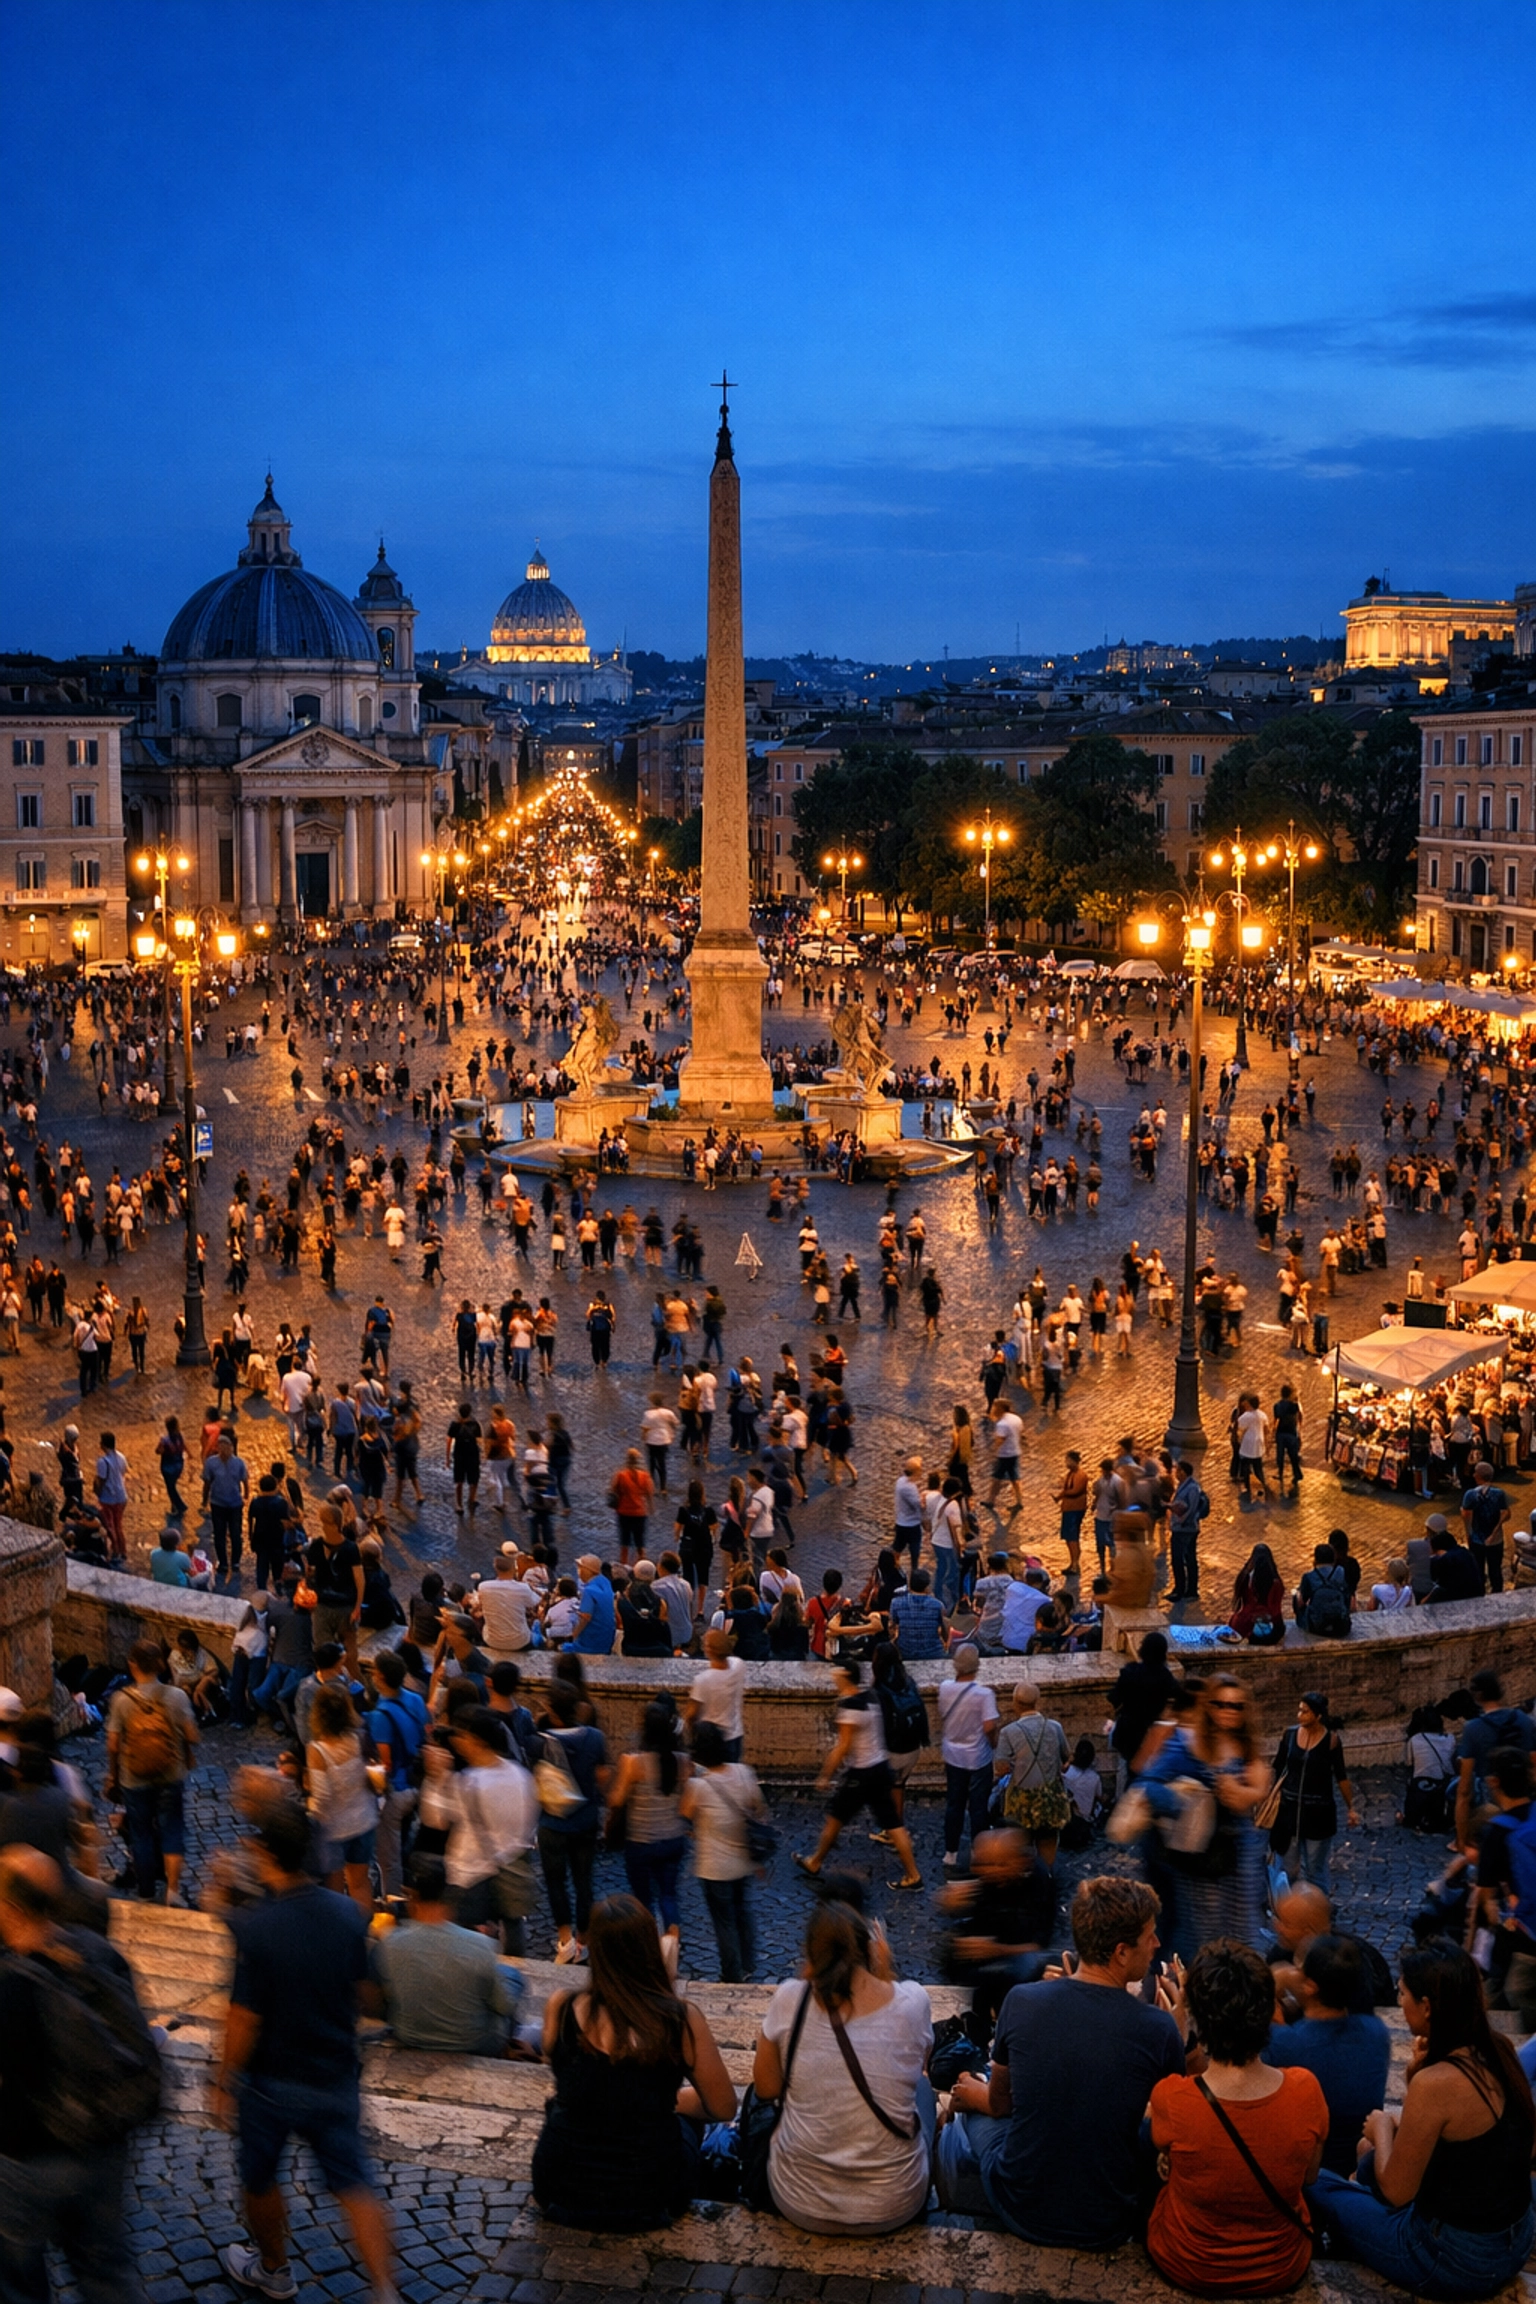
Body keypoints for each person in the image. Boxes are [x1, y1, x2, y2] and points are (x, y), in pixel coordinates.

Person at [938, 1875, 1185, 2248]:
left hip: (1020, 2207)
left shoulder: (1022, 2000)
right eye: (1149, 1935)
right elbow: (1169, 2122)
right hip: (1108, 2220)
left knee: (974, 2099)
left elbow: (1000, 2103)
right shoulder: (1158, 2028)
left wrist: (972, 2095)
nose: (1157, 1943)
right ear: (1120, 1951)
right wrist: (1181, 2035)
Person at [214, 1798, 395, 2302]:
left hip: (271, 2081)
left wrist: (225, 2080)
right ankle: (384, 2290)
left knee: (260, 2176)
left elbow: (243, 2017)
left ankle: (273, 2269)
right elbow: (371, 1994)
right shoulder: (347, 1914)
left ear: (262, 1852)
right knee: (354, 2183)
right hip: (335, 2071)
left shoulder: (257, 1926)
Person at [1310, 1944, 1536, 2300]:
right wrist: (1416, 2075)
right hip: (1516, 2240)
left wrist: (1382, 2127)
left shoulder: (1438, 2083)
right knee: (1367, 2163)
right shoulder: (1500, 2049)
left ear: (1427, 2006)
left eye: (1402, 1993)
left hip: (1455, 2260)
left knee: (1319, 2181)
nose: (1399, 2001)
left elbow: (1398, 2191)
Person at [0, 1846, 158, 2304]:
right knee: (108, 2273)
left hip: (27, 2164)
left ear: (11, 1907)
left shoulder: (9, 1984)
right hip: (104, 2150)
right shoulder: (97, 1951)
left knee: (18, 2284)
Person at [530, 1892, 737, 2229]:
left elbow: (576, 2078)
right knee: (689, 2118)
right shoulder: (681, 2020)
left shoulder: (560, 2006)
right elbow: (724, 2107)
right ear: (650, 1948)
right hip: (651, 2194)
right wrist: (671, 2101)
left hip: (560, 2186)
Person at [1146, 1938, 1328, 2296]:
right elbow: (1309, 2176)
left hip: (1187, 2262)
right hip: (1281, 2265)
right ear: (1267, 2012)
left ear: (1199, 2020)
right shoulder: (1305, 2090)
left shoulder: (1172, 2096)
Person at [752, 1897, 934, 2235]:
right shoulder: (913, 2002)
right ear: (871, 1948)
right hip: (895, 2205)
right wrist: (885, 1973)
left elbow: (765, 2089)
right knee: (923, 2086)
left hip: (798, 2200)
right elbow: (916, 2067)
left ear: (810, 1954)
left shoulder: (789, 1998)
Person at [1140, 1674, 1270, 1958]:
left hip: (1240, 1855)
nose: (1228, 1712)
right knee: (1200, 1934)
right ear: (1208, 1706)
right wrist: (1182, 1800)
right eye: (1221, 1704)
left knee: (1243, 1932)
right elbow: (1147, 1782)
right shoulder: (1187, 1746)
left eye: (1236, 1706)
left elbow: (1256, 1790)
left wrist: (1245, 1793)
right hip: (1199, 1854)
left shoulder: (1247, 1750)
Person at [370, 1852, 522, 2056]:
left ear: (412, 1896)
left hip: (409, 2035)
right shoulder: (482, 1945)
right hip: (473, 2041)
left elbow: (378, 2001)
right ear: (449, 1896)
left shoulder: (390, 1943)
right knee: (512, 1977)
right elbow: (503, 2006)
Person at [1264, 1933, 1390, 2176]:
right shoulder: (1377, 2032)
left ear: (1310, 1985)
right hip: (1359, 2161)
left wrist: (1272, 1986)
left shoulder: (1286, 2043)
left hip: (1311, 2170)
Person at [418, 1704, 538, 1951]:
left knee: (462, 1943)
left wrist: (436, 1777)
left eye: (460, 1735)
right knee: (513, 1928)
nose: (457, 1741)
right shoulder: (520, 1775)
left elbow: (435, 1819)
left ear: (475, 1740)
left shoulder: (470, 1783)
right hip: (511, 1870)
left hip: (469, 1876)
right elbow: (529, 1824)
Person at [793, 1661, 922, 1890]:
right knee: (893, 1823)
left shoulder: (850, 1705)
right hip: (880, 1767)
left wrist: (826, 1775)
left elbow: (843, 1746)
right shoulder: (870, 1696)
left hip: (861, 1773)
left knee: (836, 1817)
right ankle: (913, 1875)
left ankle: (815, 1861)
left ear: (844, 1676)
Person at [105, 1638, 198, 1906]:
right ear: (160, 1664)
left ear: (132, 1664)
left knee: (141, 1834)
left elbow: (112, 1744)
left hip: (134, 1779)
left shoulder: (120, 1700)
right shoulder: (177, 1696)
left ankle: (145, 1892)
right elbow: (193, 1736)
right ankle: (173, 1891)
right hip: (171, 1774)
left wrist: (113, 1775)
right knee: (172, 1830)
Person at [680, 1719, 766, 1981]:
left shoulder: (699, 1786)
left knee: (724, 1922)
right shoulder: (744, 1772)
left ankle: (731, 1973)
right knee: (742, 1911)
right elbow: (759, 1810)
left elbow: (685, 1815)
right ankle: (749, 1963)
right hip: (743, 1861)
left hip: (714, 1867)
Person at [534, 1679, 610, 1964]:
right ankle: (583, 1940)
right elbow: (602, 1777)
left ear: (551, 1709)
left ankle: (564, 1939)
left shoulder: (539, 1740)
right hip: (585, 1821)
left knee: (556, 1883)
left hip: (552, 1823)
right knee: (583, 1882)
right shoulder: (594, 1738)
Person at [607, 1699, 691, 1947]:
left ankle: (649, 1946)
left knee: (643, 1898)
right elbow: (687, 1801)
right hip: (673, 1839)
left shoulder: (632, 1763)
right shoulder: (683, 1762)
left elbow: (616, 1799)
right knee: (668, 1895)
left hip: (641, 1842)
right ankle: (673, 1946)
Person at [1268, 1692, 1359, 1894]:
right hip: (1290, 1813)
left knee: (1314, 1870)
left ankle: (1318, 1911)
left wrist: (1351, 1808)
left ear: (1317, 1716)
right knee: (1288, 1868)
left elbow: (1341, 1776)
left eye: (1305, 1711)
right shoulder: (1289, 1736)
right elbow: (1278, 1766)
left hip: (1319, 1815)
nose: (1299, 1715)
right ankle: (1287, 1911)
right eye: (1299, 1710)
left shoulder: (1331, 1741)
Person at [1454, 1667, 1536, 1851]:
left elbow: (1464, 1789)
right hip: (1525, 1800)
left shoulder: (1473, 1729)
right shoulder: (1523, 1719)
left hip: (1492, 1802)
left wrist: (1461, 1839)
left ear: (1478, 1695)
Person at [936, 1644, 1000, 1871]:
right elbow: (990, 1726)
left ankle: (950, 1853)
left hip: (953, 1755)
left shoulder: (944, 1688)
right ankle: (978, 1853)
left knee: (954, 1805)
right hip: (978, 1757)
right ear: (977, 1666)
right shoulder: (984, 1695)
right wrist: (994, 1742)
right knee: (978, 1808)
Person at [994, 1680, 1071, 1865]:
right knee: (1048, 1841)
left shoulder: (1008, 1732)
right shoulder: (1055, 1727)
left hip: (1021, 1800)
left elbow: (1000, 1768)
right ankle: (1047, 1878)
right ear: (1037, 1701)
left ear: (1015, 1703)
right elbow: (1066, 1759)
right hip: (1050, 1798)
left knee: (1020, 1845)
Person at [685, 1627, 747, 1762]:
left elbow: (691, 1715)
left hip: (712, 1741)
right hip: (736, 1735)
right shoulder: (739, 1665)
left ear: (709, 1650)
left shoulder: (703, 1680)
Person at [1462, 1459, 1510, 1594]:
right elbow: (1506, 1514)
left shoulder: (1470, 1494)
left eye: (1475, 1473)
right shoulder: (1499, 1494)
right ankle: (1497, 1595)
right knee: (1495, 1570)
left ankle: (1480, 1596)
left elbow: (1467, 1517)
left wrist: (1468, 1534)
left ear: (1479, 1476)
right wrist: (1495, 1533)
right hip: (1496, 1540)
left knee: (1478, 1570)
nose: (1473, 1475)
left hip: (1477, 1539)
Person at [1229, 1544, 1286, 1646]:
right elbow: (1276, 1610)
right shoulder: (1276, 1583)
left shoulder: (1244, 1577)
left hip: (1244, 1625)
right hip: (1270, 1627)